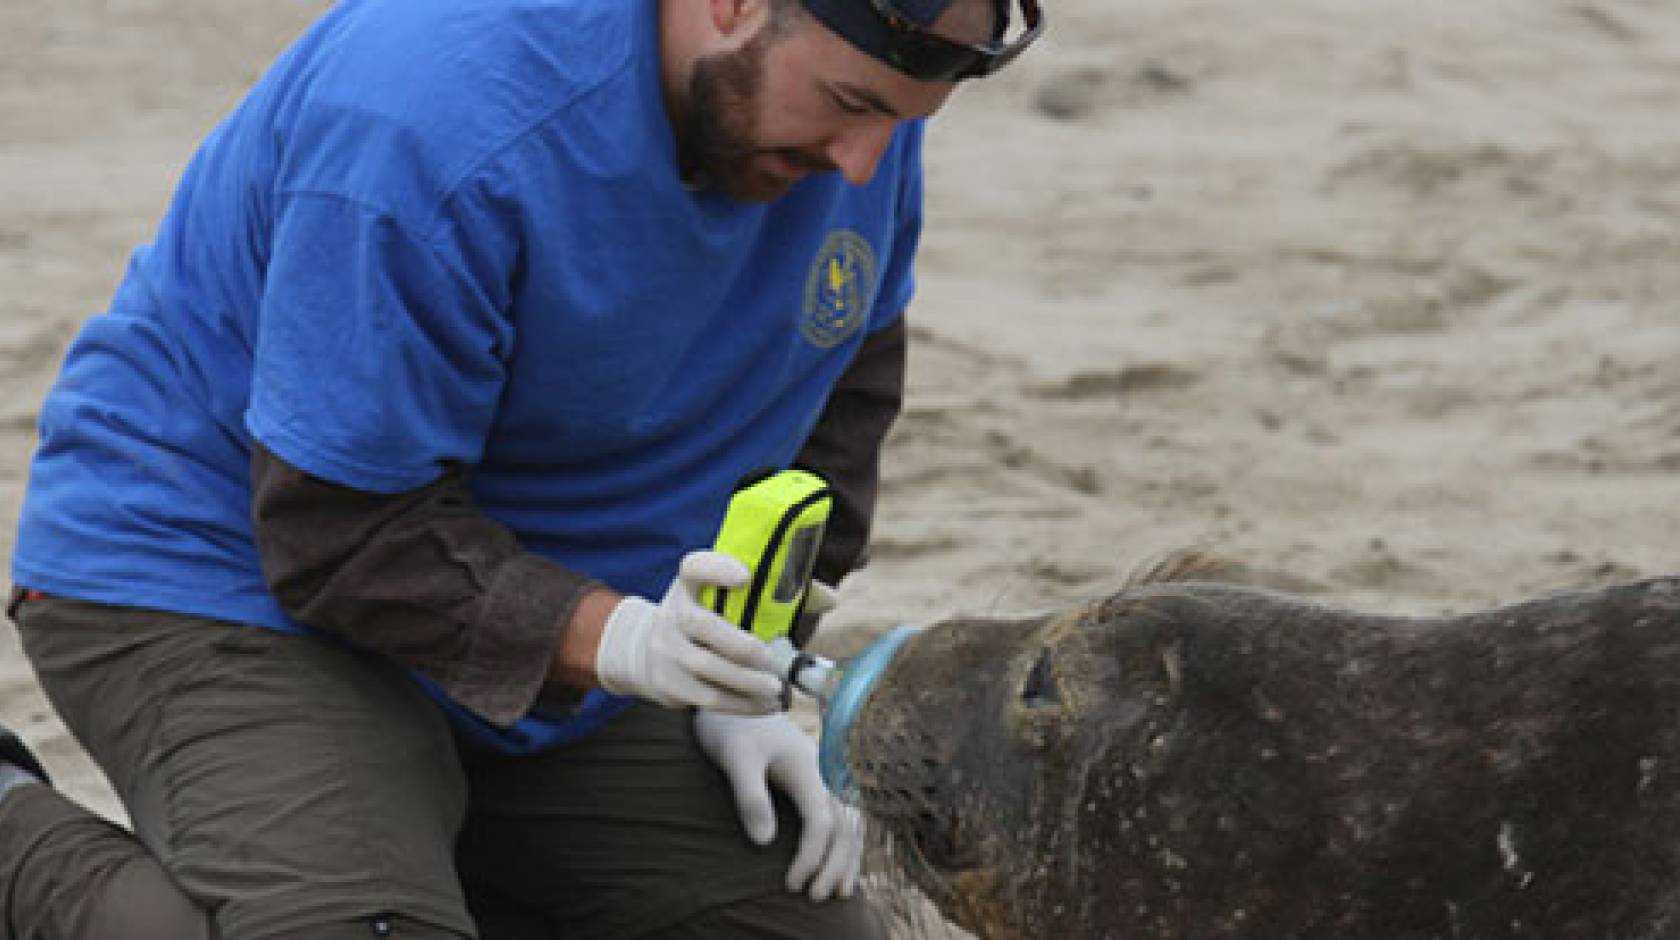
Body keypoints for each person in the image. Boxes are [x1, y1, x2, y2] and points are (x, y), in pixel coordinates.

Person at [0, 0, 1043, 937]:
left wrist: (748, 666)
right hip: (215, 573)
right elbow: (333, 536)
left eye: (902, 126)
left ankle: (402, 849)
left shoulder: (847, 117)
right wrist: (625, 640)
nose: (862, 165)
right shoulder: (434, 119)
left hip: (545, 612)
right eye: (851, 104)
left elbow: (840, 395)